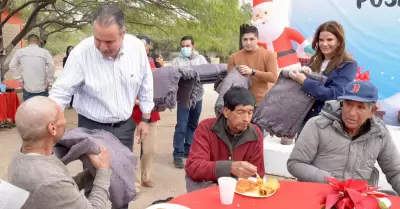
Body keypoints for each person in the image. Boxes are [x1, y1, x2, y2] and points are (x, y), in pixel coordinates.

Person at [49, 5, 154, 152]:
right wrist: (48, 123)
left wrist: (145, 119)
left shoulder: (136, 48)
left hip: (124, 129)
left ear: (123, 34)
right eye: (98, 39)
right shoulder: (81, 54)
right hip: (91, 129)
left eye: (109, 42)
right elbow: (60, 93)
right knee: (95, 174)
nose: (103, 47)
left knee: (123, 171)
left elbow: (146, 83)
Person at [287, 81, 400, 195]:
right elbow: (296, 164)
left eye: (360, 107)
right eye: (348, 104)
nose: (351, 113)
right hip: (319, 195)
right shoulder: (317, 125)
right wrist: (331, 181)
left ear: (372, 111)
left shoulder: (380, 134)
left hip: (356, 199)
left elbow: (395, 171)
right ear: (342, 104)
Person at [7, 96, 111, 209]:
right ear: (53, 128)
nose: (65, 121)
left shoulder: (21, 154)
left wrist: (86, 175)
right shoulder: (49, 181)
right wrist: (103, 171)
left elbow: (57, 193)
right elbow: (53, 186)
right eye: (63, 116)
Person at [288, 21, 358, 144]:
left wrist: (305, 81)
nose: (324, 44)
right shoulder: (314, 60)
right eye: (321, 40)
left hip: (329, 123)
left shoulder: (348, 65)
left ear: (339, 41)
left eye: (329, 39)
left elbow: (334, 94)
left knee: (323, 161)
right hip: (305, 119)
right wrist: (302, 73)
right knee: (299, 159)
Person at [185, 87, 265, 192]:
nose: (246, 118)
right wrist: (230, 167)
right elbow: (193, 167)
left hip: (238, 186)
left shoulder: (255, 133)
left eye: (250, 113)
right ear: (226, 112)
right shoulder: (206, 128)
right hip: (207, 182)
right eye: (240, 112)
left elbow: (258, 174)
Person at [171, 36, 208, 168]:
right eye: (183, 46)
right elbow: (173, 79)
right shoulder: (176, 61)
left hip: (198, 97)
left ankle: (188, 150)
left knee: (192, 125)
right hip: (183, 98)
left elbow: (206, 75)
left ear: (193, 46)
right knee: (181, 125)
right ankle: (178, 154)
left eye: (187, 46)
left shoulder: (201, 59)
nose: (185, 48)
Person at [133, 36, 164, 190]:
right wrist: (137, 101)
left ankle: (146, 176)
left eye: (143, 45)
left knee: (150, 149)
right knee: (134, 150)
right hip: (132, 115)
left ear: (148, 47)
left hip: (152, 114)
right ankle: (135, 183)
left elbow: (159, 87)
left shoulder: (152, 63)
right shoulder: (127, 63)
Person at [9, 34, 55, 101]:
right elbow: (52, 66)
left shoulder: (20, 52)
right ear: (38, 42)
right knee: (43, 109)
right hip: (42, 87)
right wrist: (49, 81)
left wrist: (20, 80)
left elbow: (12, 65)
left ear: (28, 41)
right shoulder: (44, 52)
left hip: (27, 88)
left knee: (29, 109)